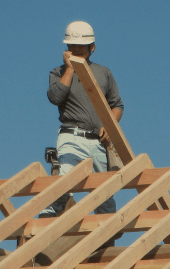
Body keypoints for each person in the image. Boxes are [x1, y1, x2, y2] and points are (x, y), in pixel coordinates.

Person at [40, 21, 124, 219]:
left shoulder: (103, 73)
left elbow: (117, 105)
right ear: (67, 48)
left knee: (103, 194)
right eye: (72, 46)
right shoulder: (58, 72)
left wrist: (110, 127)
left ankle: (105, 236)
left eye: (81, 46)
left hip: (98, 141)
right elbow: (56, 98)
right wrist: (70, 69)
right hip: (72, 136)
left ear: (91, 47)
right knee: (63, 183)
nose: (77, 49)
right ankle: (46, 222)